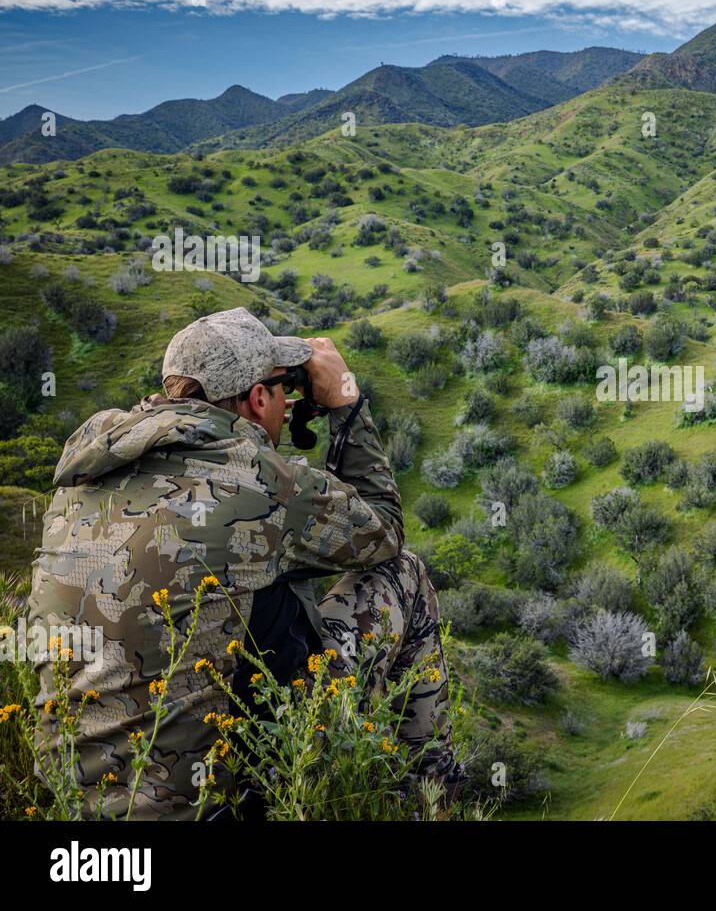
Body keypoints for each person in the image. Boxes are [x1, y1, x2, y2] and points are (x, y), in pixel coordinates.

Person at [28, 307, 462, 819]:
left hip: (75, 798)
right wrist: (347, 403)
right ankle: (430, 802)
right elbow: (383, 530)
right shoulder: (261, 481)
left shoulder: (86, 473)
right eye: (282, 389)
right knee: (402, 573)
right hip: (215, 803)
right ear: (259, 398)